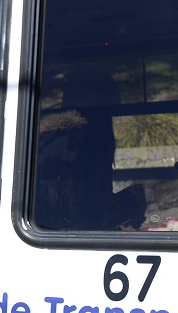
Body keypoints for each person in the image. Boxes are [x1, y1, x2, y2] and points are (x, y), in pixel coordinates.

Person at [33, 67, 146, 230]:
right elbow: (88, 217)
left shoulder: (49, 140)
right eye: (110, 109)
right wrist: (130, 200)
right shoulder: (85, 143)